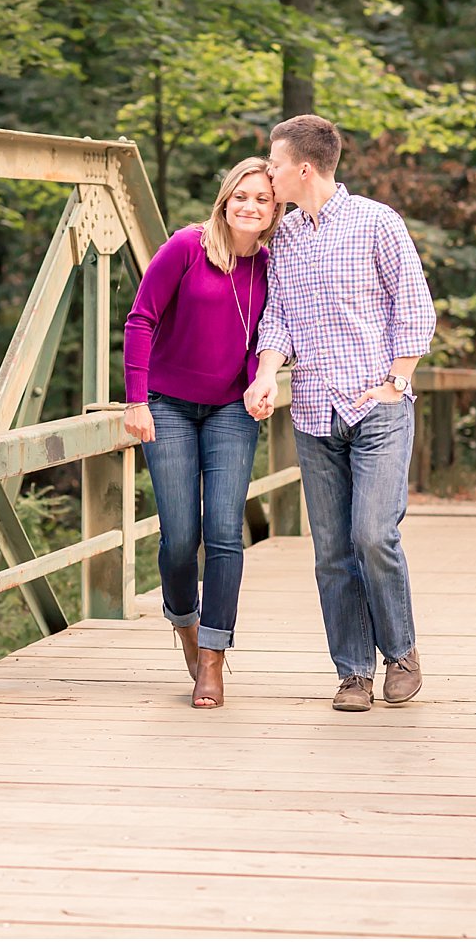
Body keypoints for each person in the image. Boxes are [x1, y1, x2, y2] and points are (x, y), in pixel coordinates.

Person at [244, 115, 436, 713]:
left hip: (376, 408)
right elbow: (277, 319)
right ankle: (353, 671)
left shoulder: (378, 222)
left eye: (273, 165)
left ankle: (401, 655)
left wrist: (396, 381)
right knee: (331, 551)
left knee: (372, 534)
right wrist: (266, 372)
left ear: (302, 168)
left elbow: (415, 307)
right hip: (313, 415)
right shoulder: (288, 239)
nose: (268, 175)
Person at [124, 157, 280, 709]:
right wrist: (136, 399)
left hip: (232, 411)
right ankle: (185, 625)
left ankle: (212, 658)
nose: (250, 207)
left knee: (223, 534)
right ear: (225, 198)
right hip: (167, 406)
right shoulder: (187, 247)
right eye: (242, 196)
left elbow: (279, 330)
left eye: (262, 199)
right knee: (179, 538)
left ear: (274, 208)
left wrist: (265, 379)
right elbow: (141, 318)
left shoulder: (273, 264)